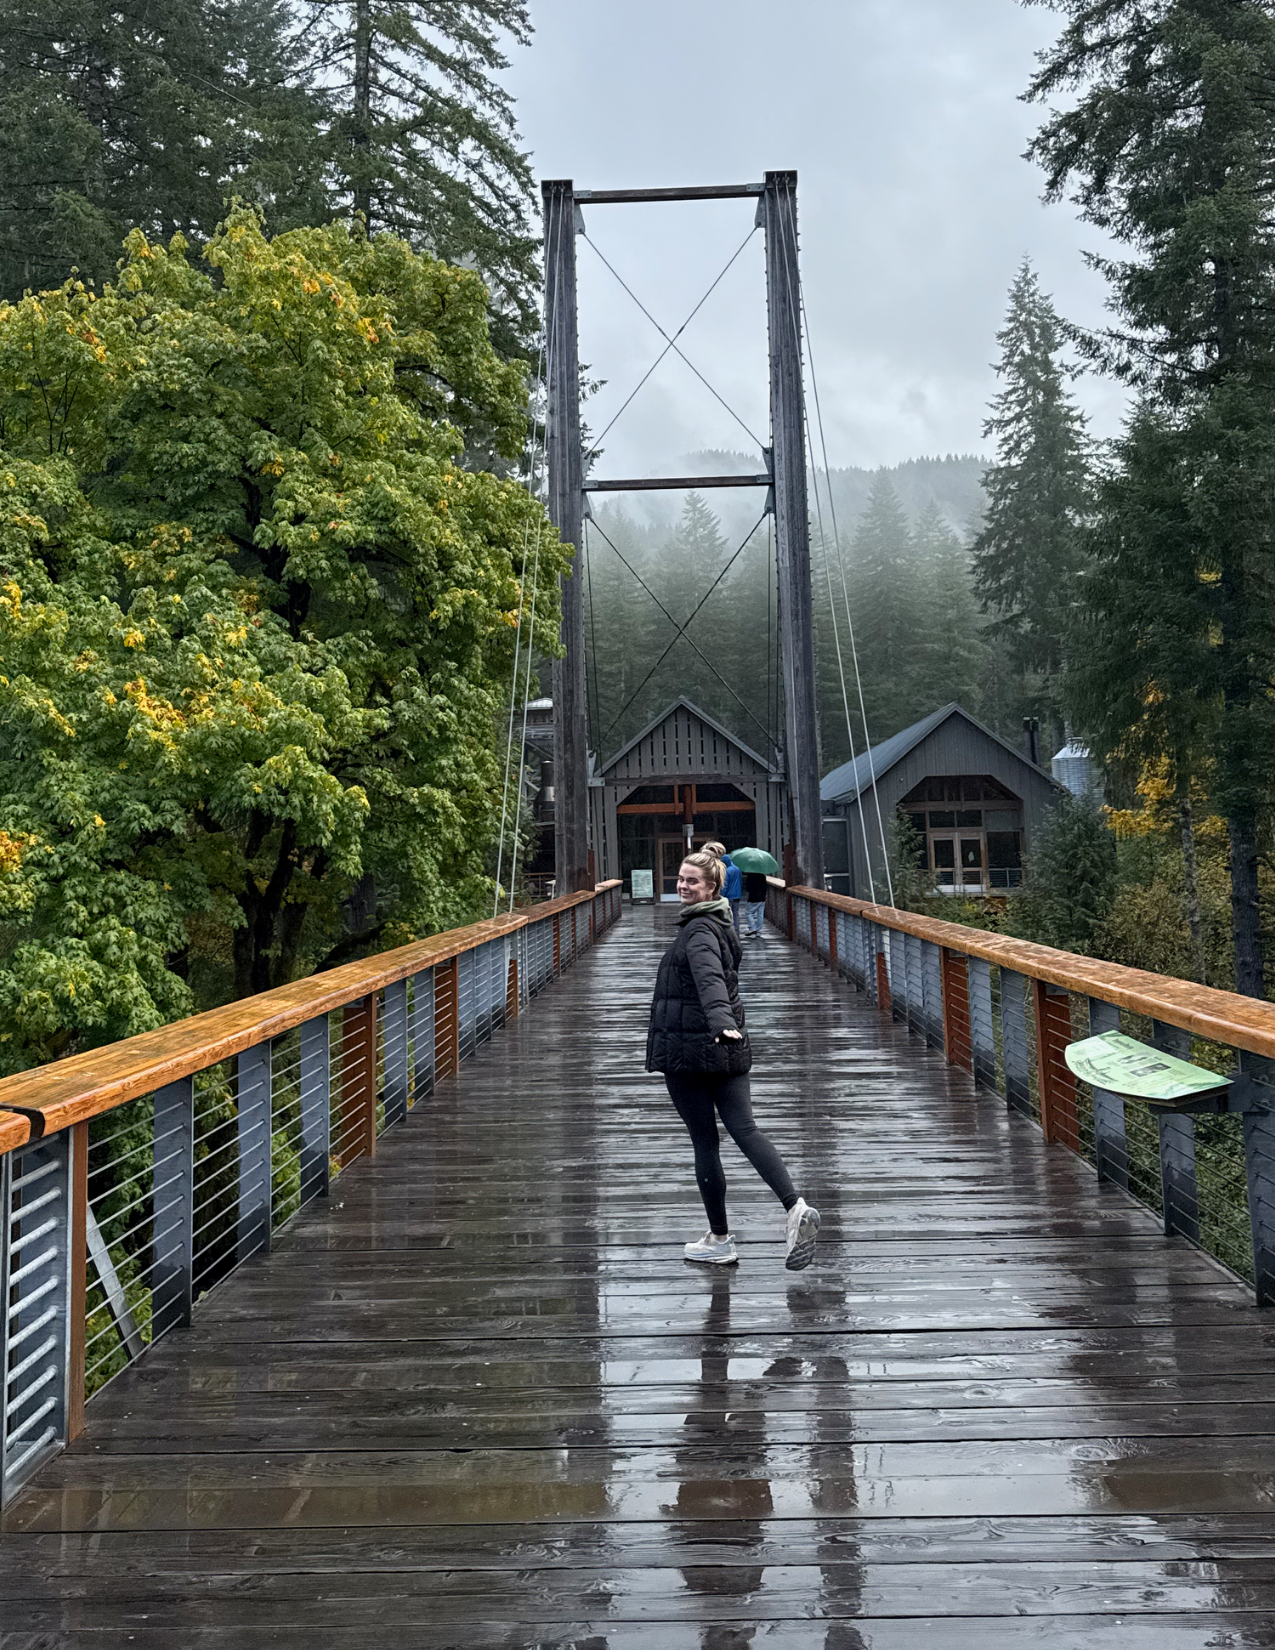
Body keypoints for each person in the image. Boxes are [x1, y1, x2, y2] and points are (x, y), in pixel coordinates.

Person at [646, 848, 820, 1269]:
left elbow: (709, 981)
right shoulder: (721, 923)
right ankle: (795, 1207)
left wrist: (721, 1021)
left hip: (693, 1051)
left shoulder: (700, 930)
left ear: (711, 888)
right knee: (746, 1128)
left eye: (692, 881)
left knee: (706, 1142)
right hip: (728, 1046)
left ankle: (720, 1239)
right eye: (681, 878)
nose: (683, 886)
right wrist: (727, 1028)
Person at [704, 839, 743, 933]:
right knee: (736, 914)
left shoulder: (726, 871)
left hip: (728, 896)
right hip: (737, 895)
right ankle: (736, 931)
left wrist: (721, 895)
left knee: (727, 914)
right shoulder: (737, 869)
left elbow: (724, 885)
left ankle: (728, 931)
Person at [742, 871, 769, 939]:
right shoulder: (762, 875)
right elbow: (765, 887)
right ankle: (759, 931)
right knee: (760, 914)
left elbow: (748, 889)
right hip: (762, 897)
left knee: (748, 913)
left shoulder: (751, 876)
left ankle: (752, 927)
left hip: (753, 897)